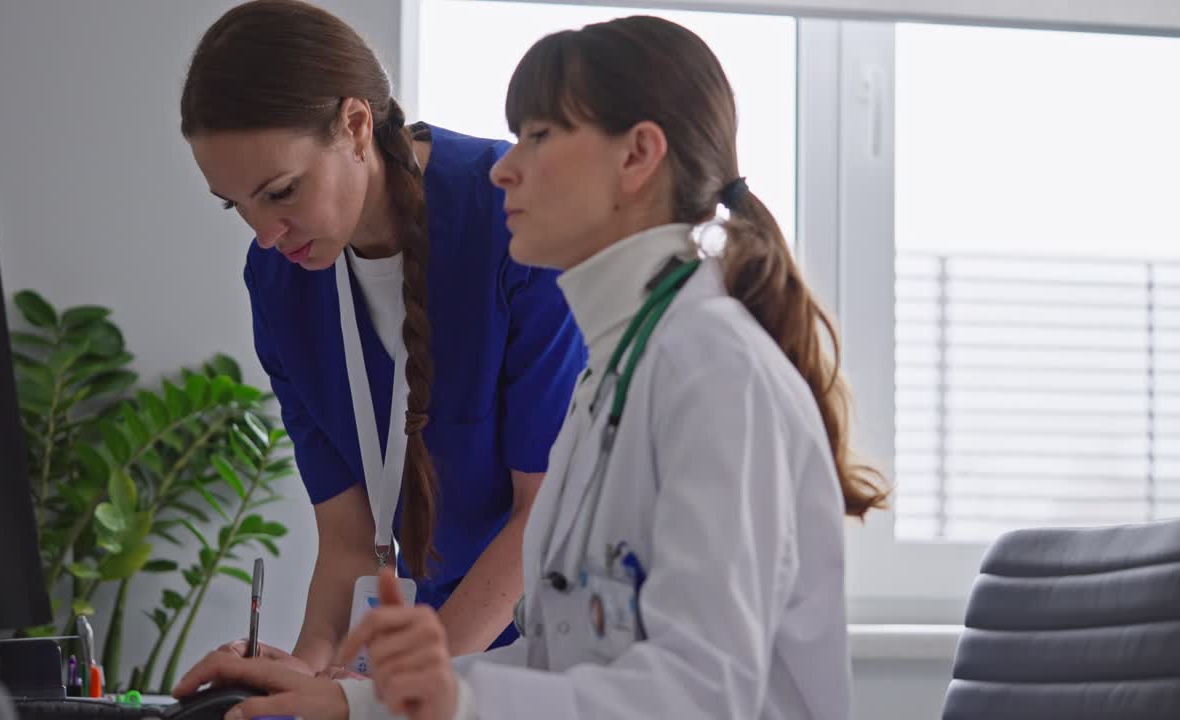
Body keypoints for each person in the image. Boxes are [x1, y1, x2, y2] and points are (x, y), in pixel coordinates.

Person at [173, 14, 889, 720]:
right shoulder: (614, 381)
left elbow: (702, 694)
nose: (505, 166)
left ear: (637, 157)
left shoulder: (715, 375)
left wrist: (435, 696)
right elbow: (561, 657)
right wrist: (347, 697)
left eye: (538, 137)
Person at [177, 0, 586, 678]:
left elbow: (542, 517)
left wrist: (387, 692)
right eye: (236, 206)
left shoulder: (513, 223)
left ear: (356, 124)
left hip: (552, 650)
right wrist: (307, 676)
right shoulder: (278, 284)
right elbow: (347, 544)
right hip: (426, 666)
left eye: (280, 191)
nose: (264, 233)